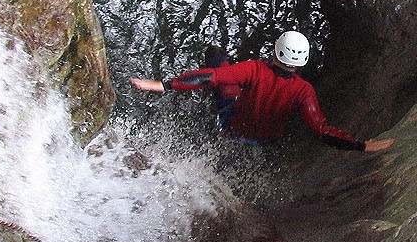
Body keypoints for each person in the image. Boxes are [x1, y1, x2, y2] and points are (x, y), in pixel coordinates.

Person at [131, 31, 394, 153]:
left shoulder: (256, 69)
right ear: (303, 62)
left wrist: (165, 84)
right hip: (268, 139)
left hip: (232, 126)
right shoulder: (304, 91)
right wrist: (362, 146)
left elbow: (212, 77)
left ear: (275, 51)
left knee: (216, 57)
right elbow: (321, 130)